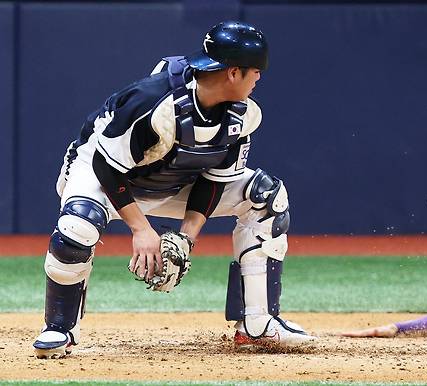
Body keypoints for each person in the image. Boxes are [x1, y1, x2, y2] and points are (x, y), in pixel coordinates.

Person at [33, 21, 315, 359]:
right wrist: (141, 229)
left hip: (172, 179)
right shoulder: (154, 103)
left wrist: (185, 238)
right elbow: (107, 168)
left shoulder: (244, 115)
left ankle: (258, 324)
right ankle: (59, 328)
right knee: (78, 223)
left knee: (266, 197)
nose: (259, 78)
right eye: (256, 71)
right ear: (234, 72)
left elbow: (214, 180)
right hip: (100, 168)